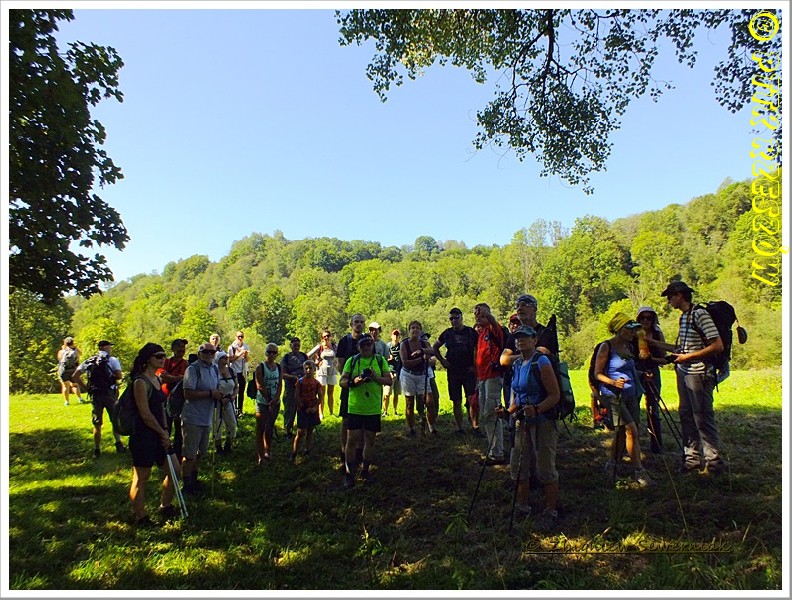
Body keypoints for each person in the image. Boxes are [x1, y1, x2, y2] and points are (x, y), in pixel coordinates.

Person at [654, 281, 727, 475]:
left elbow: (717, 345)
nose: (668, 301)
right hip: (684, 372)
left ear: (680, 295)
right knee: (686, 415)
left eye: (670, 297)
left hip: (699, 373)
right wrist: (651, 342)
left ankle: (714, 464)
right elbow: (681, 349)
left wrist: (687, 357)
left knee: (702, 417)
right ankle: (691, 461)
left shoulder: (699, 314)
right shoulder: (684, 317)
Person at [495, 326, 560, 528]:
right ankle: (522, 506)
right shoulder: (517, 364)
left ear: (534, 340)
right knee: (519, 465)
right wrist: (508, 412)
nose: (520, 340)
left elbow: (555, 395)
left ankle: (551, 510)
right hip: (521, 421)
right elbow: (519, 396)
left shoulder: (541, 362)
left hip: (543, 422)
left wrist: (537, 409)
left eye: (525, 337)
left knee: (545, 467)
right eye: (517, 337)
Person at [593, 313, 655, 487]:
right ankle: (639, 472)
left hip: (631, 395)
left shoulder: (628, 346)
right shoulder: (606, 346)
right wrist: (613, 382)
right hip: (614, 397)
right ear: (620, 329)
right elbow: (597, 374)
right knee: (631, 431)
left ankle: (611, 465)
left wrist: (642, 375)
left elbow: (629, 369)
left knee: (621, 432)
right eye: (629, 329)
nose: (633, 333)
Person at [126, 343, 178, 526]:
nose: (163, 359)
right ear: (148, 359)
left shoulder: (157, 379)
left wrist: (165, 431)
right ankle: (140, 516)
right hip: (143, 436)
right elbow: (145, 413)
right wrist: (162, 433)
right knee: (142, 477)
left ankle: (165, 505)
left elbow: (161, 407)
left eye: (164, 355)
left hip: (160, 434)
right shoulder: (140, 382)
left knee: (175, 470)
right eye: (158, 356)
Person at [339, 334, 391, 489]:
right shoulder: (352, 361)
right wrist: (353, 382)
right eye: (363, 345)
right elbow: (342, 381)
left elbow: (389, 380)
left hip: (373, 408)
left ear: (373, 345)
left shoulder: (380, 360)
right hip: (355, 407)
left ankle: (365, 470)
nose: (366, 347)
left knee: (370, 440)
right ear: (358, 347)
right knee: (351, 440)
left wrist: (376, 378)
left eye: (369, 344)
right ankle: (348, 473)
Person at [72, 340, 124, 458]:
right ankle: (118, 444)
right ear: (104, 347)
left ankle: (97, 449)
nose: (111, 349)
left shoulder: (89, 361)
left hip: (95, 395)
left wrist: (86, 388)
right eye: (109, 347)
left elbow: (75, 375)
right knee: (114, 419)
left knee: (97, 423)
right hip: (109, 394)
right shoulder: (112, 360)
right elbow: (119, 375)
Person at [181, 342, 222, 493]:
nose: (209, 354)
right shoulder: (192, 369)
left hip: (207, 417)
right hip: (192, 418)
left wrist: (219, 395)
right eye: (206, 352)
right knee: (190, 454)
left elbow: (216, 388)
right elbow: (188, 393)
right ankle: (187, 485)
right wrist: (210, 394)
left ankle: (194, 479)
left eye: (212, 352)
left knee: (201, 452)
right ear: (199, 354)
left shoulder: (215, 368)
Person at [434, 307, 479, 435]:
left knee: (472, 400)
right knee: (456, 400)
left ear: (461, 317)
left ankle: (475, 426)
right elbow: (435, 347)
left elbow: (478, 349)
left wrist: (475, 365)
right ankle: (459, 428)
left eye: (456, 317)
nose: (454, 320)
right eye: (451, 318)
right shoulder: (447, 333)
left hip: (469, 370)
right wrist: (442, 361)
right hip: (453, 371)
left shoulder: (471, 332)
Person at [474, 303, 506, 465]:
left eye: (481, 314)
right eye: (476, 314)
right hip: (482, 378)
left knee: (491, 414)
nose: (478, 317)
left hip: (493, 377)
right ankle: (493, 449)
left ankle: (497, 452)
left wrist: (487, 314)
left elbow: (493, 322)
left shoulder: (494, 330)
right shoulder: (480, 333)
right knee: (486, 415)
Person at [335, 314, 367, 471]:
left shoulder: (367, 340)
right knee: (346, 420)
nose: (359, 324)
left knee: (362, 421)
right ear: (351, 324)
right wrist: (349, 380)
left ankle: (359, 452)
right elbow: (340, 365)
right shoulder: (344, 341)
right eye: (356, 322)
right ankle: (344, 451)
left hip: (365, 387)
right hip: (348, 386)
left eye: (361, 322)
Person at [635, 306, 667, 453]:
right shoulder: (633, 334)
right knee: (633, 407)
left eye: (649, 318)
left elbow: (664, 358)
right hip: (636, 372)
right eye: (643, 317)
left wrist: (651, 358)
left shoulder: (657, 334)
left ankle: (656, 445)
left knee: (653, 408)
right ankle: (632, 445)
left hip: (653, 372)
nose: (646, 320)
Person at [399, 320, 436, 436]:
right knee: (409, 403)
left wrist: (422, 351)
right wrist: (422, 359)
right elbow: (406, 363)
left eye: (417, 328)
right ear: (409, 330)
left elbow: (433, 354)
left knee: (430, 402)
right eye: (413, 328)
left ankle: (432, 428)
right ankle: (411, 429)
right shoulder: (404, 344)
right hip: (408, 375)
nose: (415, 330)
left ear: (421, 331)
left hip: (422, 375)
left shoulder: (425, 343)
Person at [158, 338, 189, 459]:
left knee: (178, 427)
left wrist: (170, 377)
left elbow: (185, 379)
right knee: (165, 425)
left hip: (178, 399)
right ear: (173, 349)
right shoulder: (166, 362)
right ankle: (163, 452)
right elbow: (161, 376)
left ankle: (177, 453)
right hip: (164, 397)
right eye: (179, 349)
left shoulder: (185, 364)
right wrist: (177, 377)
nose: (181, 351)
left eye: (183, 349)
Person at [254, 343, 283, 464]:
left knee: (269, 427)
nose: (271, 354)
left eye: (274, 352)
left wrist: (276, 398)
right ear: (266, 353)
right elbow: (259, 385)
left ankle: (268, 451)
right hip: (262, 402)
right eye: (269, 352)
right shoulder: (260, 367)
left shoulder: (279, 367)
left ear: (277, 354)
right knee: (260, 429)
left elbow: (280, 384)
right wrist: (269, 400)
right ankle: (260, 455)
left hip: (275, 402)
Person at [291, 360, 324, 462]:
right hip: (302, 409)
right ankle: (294, 453)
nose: (308, 370)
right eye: (306, 369)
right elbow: (296, 395)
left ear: (314, 369)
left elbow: (320, 396)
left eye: (310, 368)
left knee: (310, 430)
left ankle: (307, 450)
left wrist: (315, 407)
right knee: (300, 432)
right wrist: (303, 407)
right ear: (303, 370)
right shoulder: (300, 382)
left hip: (312, 409)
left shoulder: (317, 383)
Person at [280, 337, 309, 438]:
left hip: (303, 387)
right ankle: (288, 430)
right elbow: (282, 374)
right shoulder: (286, 357)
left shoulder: (304, 356)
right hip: (290, 387)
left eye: (298, 345)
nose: (296, 347)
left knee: (303, 407)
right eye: (294, 345)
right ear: (290, 345)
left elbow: (309, 369)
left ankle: (303, 429)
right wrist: (293, 377)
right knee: (290, 409)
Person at [308, 329, 337, 418]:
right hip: (321, 372)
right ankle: (321, 413)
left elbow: (340, 355)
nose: (326, 337)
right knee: (321, 393)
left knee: (331, 393)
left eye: (328, 336)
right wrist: (315, 364)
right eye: (324, 336)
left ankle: (331, 413)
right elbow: (308, 355)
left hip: (332, 371)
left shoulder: (334, 346)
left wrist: (337, 363)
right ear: (322, 338)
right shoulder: (319, 347)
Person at [215, 351, 238, 454]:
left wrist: (233, 396)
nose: (226, 359)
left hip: (229, 401)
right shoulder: (213, 371)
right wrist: (219, 397)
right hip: (216, 402)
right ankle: (218, 447)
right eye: (223, 357)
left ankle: (228, 445)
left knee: (232, 423)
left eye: (226, 357)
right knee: (217, 425)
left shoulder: (232, 371)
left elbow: (236, 386)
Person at [227, 331, 250, 418]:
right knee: (234, 391)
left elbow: (247, 360)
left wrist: (245, 354)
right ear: (235, 337)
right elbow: (231, 359)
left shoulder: (246, 346)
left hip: (242, 372)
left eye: (242, 336)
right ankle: (233, 409)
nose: (240, 338)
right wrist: (240, 353)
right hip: (233, 371)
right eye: (238, 336)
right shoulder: (231, 347)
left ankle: (240, 410)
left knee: (241, 392)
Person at [57, 336, 84, 406]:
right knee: (75, 385)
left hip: (64, 370)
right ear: (73, 343)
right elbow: (81, 354)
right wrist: (75, 347)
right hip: (73, 370)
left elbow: (59, 359)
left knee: (65, 386)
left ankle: (67, 402)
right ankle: (80, 399)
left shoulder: (61, 351)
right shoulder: (75, 351)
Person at [382, 329, 402, 417]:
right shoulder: (387, 347)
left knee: (396, 394)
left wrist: (398, 373)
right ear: (391, 336)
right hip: (388, 373)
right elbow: (383, 361)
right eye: (394, 335)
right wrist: (389, 371)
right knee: (386, 394)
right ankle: (385, 411)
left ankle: (395, 411)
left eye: (397, 335)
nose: (396, 336)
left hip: (398, 373)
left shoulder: (401, 346)